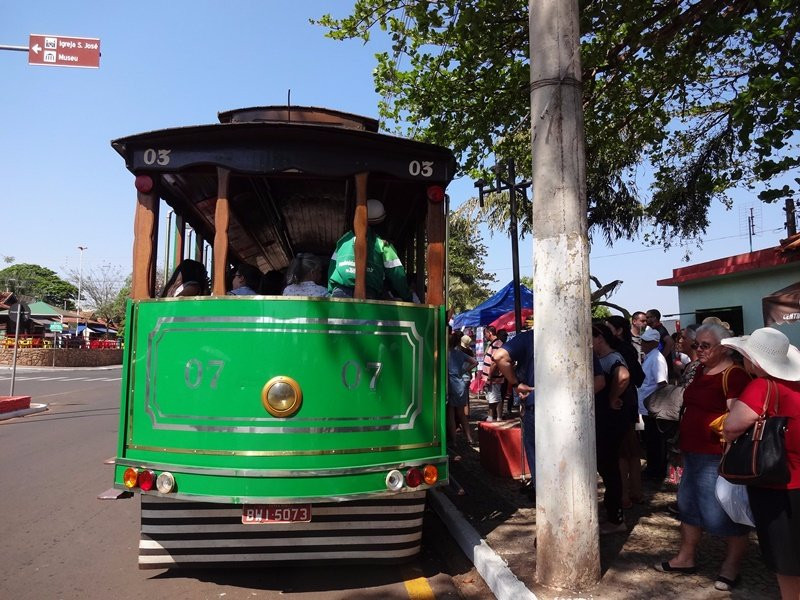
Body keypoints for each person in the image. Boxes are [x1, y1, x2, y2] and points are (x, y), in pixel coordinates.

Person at [654, 322, 752, 592]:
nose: (698, 349)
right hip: (693, 452)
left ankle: (731, 566)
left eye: (705, 345)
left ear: (724, 347)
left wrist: (728, 459)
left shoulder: (734, 375)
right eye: (696, 344)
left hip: (716, 455)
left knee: (724, 514)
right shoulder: (700, 371)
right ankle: (686, 558)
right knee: (689, 507)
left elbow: (737, 419)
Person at [722, 328, 800, 600]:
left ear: (754, 362)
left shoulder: (762, 386)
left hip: (780, 483)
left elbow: (731, 427)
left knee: (787, 560)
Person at [592, 323, 636, 534]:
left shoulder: (611, 358)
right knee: (607, 467)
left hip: (611, 421)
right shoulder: (603, 358)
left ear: (600, 337)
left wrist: (612, 398)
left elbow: (624, 376)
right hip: (605, 420)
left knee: (609, 468)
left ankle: (615, 518)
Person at [328, 199, 412, 301]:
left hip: (339, 294)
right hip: (369, 295)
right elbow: (397, 275)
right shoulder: (383, 244)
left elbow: (332, 268)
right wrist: (407, 297)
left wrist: (331, 291)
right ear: (382, 223)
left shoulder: (344, 239)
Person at [606, 314, 646, 509]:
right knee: (631, 450)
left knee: (622, 452)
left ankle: (624, 496)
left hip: (621, 405)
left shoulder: (618, 351)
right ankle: (636, 492)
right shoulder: (628, 348)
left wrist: (615, 394)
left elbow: (633, 376)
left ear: (618, 330)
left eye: (608, 327)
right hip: (629, 403)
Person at [492, 329, 535, 498]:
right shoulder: (576, 333)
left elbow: (499, 356)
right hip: (571, 406)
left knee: (535, 448)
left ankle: (539, 486)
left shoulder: (529, 337)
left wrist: (515, 383)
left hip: (536, 401)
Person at [639, 327, 671, 480]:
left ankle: (656, 471)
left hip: (653, 407)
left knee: (656, 441)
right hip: (647, 407)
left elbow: (662, 383)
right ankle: (653, 468)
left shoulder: (657, 359)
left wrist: (657, 404)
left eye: (645, 341)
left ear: (653, 342)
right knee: (650, 441)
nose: (642, 344)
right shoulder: (650, 357)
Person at [447, 332, 478, 447]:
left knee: (451, 415)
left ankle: (454, 441)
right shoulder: (460, 353)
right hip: (460, 385)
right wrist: (463, 371)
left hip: (450, 385)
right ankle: (469, 438)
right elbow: (475, 362)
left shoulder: (445, 354)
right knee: (461, 414)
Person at [481, 325, 505, 422]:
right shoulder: (493, 344)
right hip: (491, 376)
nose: (485, 336)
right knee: (492, 396)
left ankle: (497, 416)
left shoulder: (497, 344)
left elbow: (495, 362)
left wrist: (489, 377)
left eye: (485, 334)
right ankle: (492, 416)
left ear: (489, 333)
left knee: (495, 396)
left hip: (494, 377)